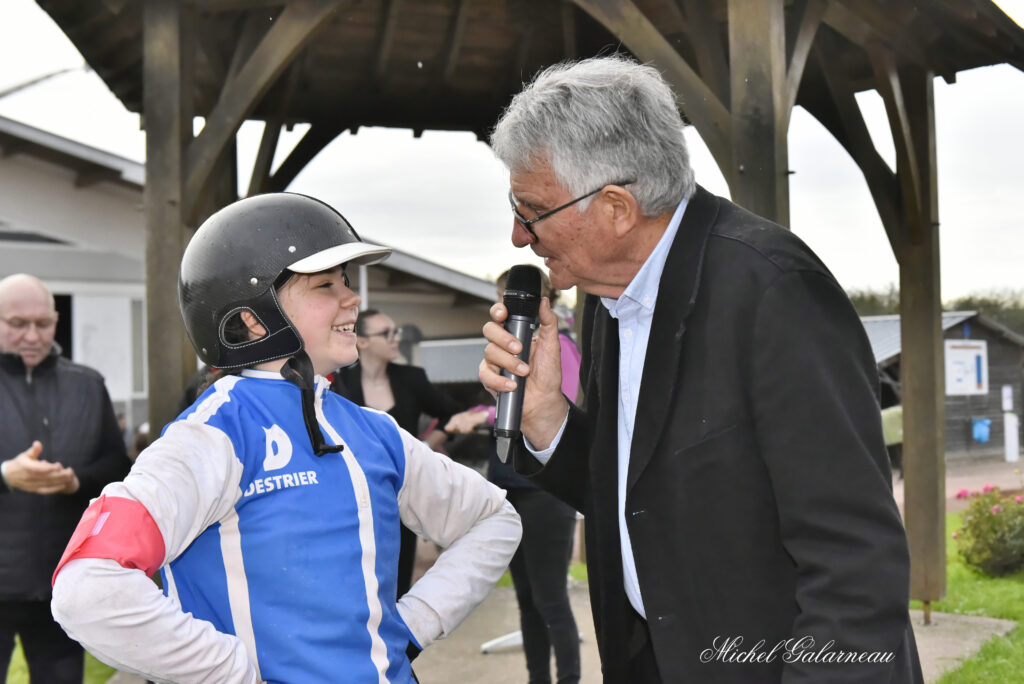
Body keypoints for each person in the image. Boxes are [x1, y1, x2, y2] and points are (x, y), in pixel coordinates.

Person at [478, 55, 923, 683]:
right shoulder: (610, 296)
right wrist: (548, 413)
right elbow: (640, 501)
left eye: (531, 210)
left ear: (615, 208)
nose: (520, 237)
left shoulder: (775, 292)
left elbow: (854, 564)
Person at [50, 192, 521, 683]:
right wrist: (231, 672)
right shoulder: (210, 436)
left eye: (345, 282)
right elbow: (88, 586)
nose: (352, 298)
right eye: (324, 286)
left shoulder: (376, 431)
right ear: (253, 319)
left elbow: (494, 520)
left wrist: (414, 625)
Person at [448, 268, 583, 684]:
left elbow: (562, 402)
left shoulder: (559, 343)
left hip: (546, 488)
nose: (506, 304)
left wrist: (482, 415)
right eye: (501, 295)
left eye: (514, 295)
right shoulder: (509, 346)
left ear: (543, 298)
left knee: (551, 599)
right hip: (509, 485)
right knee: (526, 600)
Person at [0, 273, 131, 683]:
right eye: (17, 324)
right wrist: (6, 474)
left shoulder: (88, 385)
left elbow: (118, 467)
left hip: (61, 580)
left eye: (43, 323)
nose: (33, 335)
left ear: (57, 321)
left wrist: (77, 481)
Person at [332, 308, 466, 597]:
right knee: (358, 583)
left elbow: (452, 414)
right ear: (363, 341)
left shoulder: (411, 378)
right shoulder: (338, 384)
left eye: (396, 332)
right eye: (386, 333)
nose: (396, 339)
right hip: (353, 498)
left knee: (399, 583)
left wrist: (427, 445)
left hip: (402, 495)